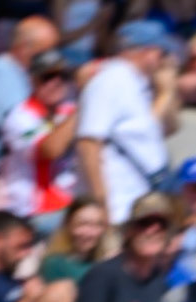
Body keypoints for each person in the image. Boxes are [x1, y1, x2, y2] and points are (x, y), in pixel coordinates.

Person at [76, 19, 178, 228]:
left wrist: (168, 92)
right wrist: (102, 205)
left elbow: (170, 128)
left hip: (139, 202)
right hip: (119, 206)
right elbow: (88, 143)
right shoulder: (111, 80)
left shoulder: (136, 83)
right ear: (146, 52)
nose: (165, 61)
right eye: (162, 54)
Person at [0, 13, 59, 179]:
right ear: (24, 47)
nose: (51, 58)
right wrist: (58, 123)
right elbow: (24, 136)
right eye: (44, 52)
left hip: (20, 171)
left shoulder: (24, 74)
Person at [0, 45, 78, 230]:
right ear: (33, 80)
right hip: (34, 212)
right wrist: (84, 108)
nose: (56, 82)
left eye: (63, 76)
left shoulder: (69, 110)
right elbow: (50, 150)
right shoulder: (19, 117)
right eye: (48, 77)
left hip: (67, 204)